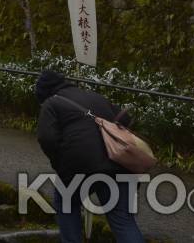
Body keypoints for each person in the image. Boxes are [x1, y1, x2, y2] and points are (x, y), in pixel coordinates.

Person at [35, 70, 146, 243]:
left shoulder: (51, 103)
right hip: (119, 164)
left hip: (81, 166)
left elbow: (46, 138)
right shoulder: (95, 97)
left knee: (65, 202)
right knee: (123, 221)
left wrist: (60, 164)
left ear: (44, 93)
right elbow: (126, 120)